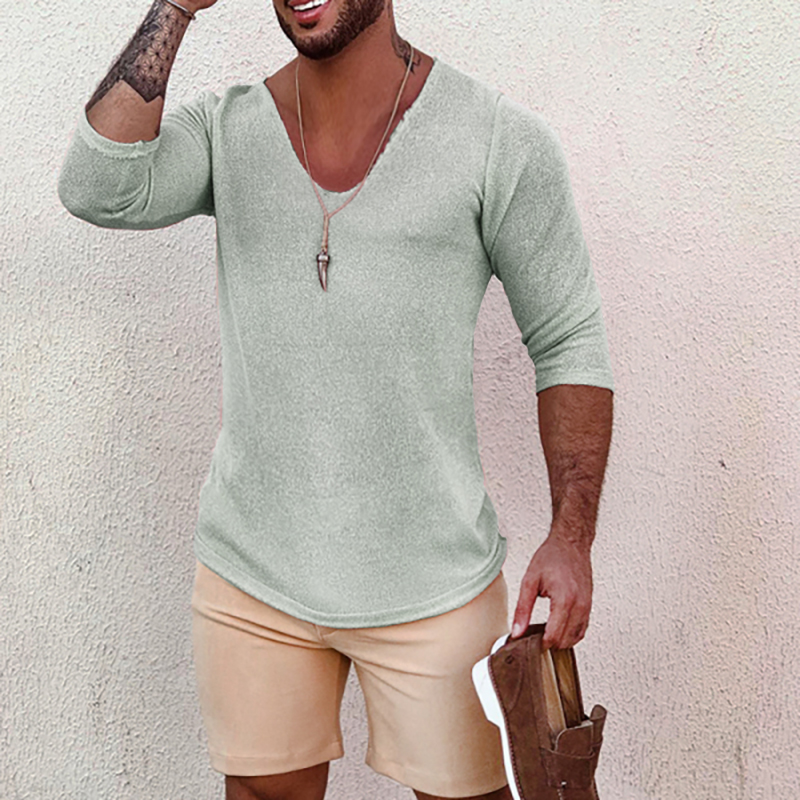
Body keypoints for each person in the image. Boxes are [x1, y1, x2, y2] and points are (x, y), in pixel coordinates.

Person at [57, 0, 614, 798]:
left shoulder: (495, 139)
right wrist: (175, 7)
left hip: (434, 582)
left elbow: (569, 339)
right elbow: (98, 186)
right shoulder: (228, 130)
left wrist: (571, 537)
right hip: (254, 577)